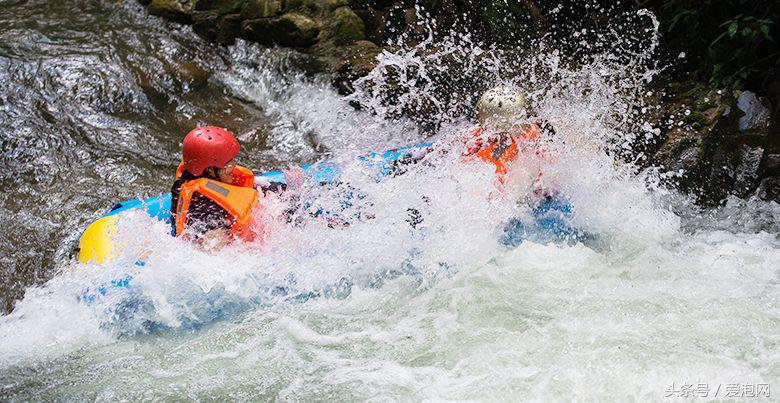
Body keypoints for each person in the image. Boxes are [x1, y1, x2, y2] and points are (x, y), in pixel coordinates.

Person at [170, 126, 261, 249]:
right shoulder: (208, 212)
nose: (233, 166)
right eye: (228, 163)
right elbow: (212, 253)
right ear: (210, 170)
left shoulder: (185, 180)